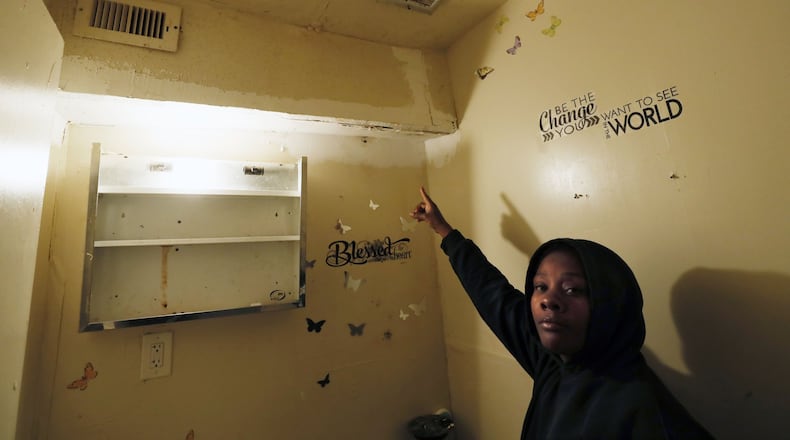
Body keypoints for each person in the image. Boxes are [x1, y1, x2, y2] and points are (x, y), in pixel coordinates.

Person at [410, 187, 714, 440]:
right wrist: (444, 230)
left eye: (573, 290)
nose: (548, 300)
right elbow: (493, 294)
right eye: (540, 286)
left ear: (611, 306)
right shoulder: (553, 363)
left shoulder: (642, 408)